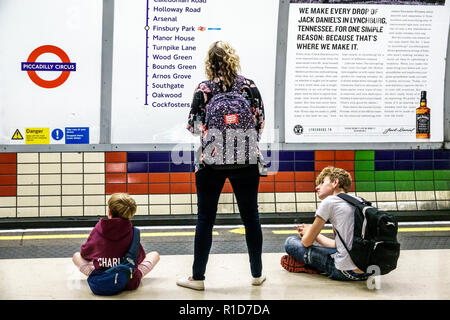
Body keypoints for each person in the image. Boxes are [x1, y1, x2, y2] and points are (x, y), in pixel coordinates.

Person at [177, 41, 266, 290]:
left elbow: (193, 127)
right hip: (246, 159)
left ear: (209, 62)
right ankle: (257, 274)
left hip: (211, 162)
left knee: (205, 218)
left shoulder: (204, 88)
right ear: (233, 59)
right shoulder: (249, 86)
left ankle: (198, 278)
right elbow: (260, 123)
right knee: (251, 217)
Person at [281, 166, 370, 281]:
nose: (317, 187)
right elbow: (340, 246)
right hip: (366, 270)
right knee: (336, 251)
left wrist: (309, 232)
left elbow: (306, 242)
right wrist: (316, 236)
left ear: (335, 183)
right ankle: (315, 264)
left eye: (322, 183)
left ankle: (312, 266)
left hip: (344, 272)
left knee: (291, 242)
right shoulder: (359, 201)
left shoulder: (329, 201)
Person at [72, 193, 160, 290]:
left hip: (102, 278)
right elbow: (139, 258)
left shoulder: (99, 228)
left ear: (109, 212)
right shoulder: (133, 232)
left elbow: (85, 253)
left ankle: (95, 273)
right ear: (130, 214)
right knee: (155, 255)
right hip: (128, 281)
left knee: (76, 256)